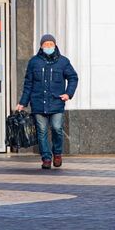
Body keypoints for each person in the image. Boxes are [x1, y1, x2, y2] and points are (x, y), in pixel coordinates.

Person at [16, 34, 78, 169]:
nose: (48, 47)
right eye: (46, 44)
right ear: (41, 46)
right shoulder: (34, 62)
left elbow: (73, 77)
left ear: (55, 45)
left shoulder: (63, 62)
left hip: (57, 102)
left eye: (51, 44)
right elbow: (28, 84)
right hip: (38, 103)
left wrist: (68, 93)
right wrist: (22, 103)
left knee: (57, 128)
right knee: (42, 131)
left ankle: (57, 153)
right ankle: (46, 158)